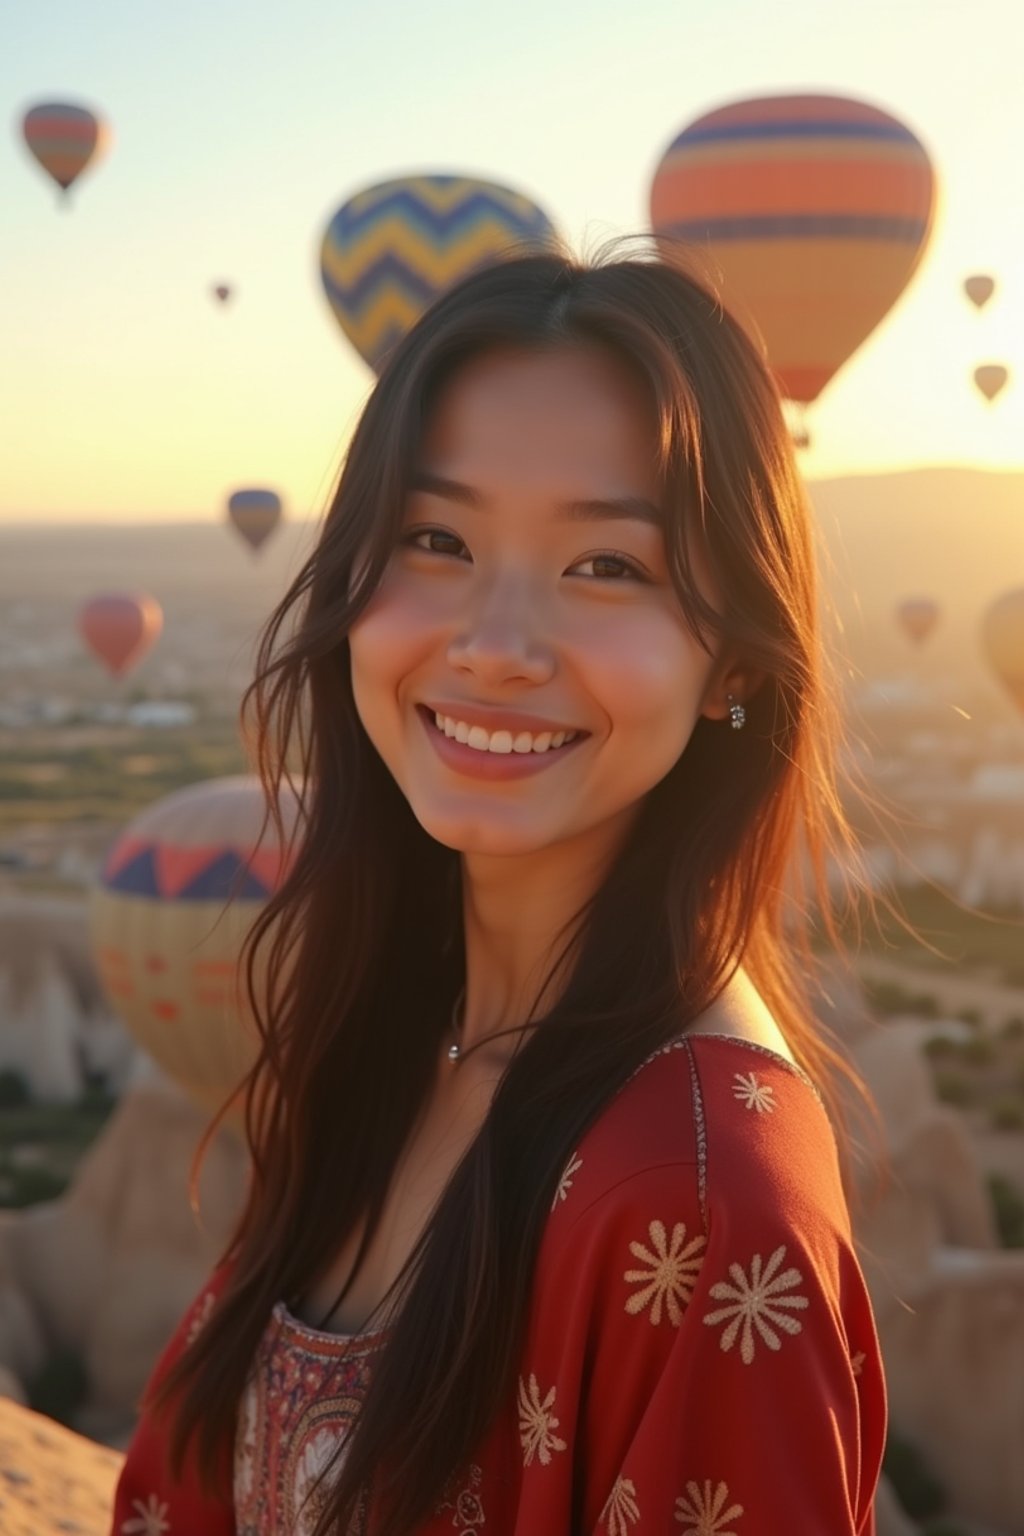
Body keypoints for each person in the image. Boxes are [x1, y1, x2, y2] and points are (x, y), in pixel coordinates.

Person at [110, 240, 888, 1535]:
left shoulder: (702, 1203)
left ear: (735, 664)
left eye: (606, 566)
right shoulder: (390, 1032)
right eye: (435, 538)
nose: (496, 645)